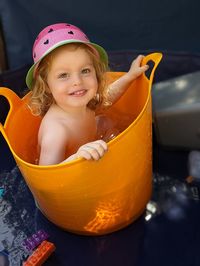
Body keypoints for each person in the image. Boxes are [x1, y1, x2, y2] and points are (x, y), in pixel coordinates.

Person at [26, 23, 149, 165]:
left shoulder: (85, 102)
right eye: (64, 75)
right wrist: (77, 158)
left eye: (85, 71)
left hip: (91, 147)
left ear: (96, 72)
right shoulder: (56, 132)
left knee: (105, 121)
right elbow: (46, 181)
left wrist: (130, 76)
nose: (77, 81)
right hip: (72, 178)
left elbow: (107, 98)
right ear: (46, 85)